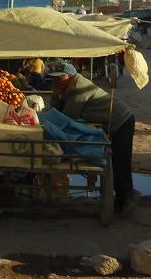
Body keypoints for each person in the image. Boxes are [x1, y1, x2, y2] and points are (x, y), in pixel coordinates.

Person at [50, 63, 137, 214]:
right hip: (114, 121)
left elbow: (67, 117)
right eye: (54, 79)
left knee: (120, 161)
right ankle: (122, 198)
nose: (56, 82)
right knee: (116, 161)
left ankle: (127, 199)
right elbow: (59, 112)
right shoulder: (69, 87)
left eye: (59, 78)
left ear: (69, 76)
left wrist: (55, 96)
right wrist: (55, 94)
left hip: (121, 120)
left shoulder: (78, 87)